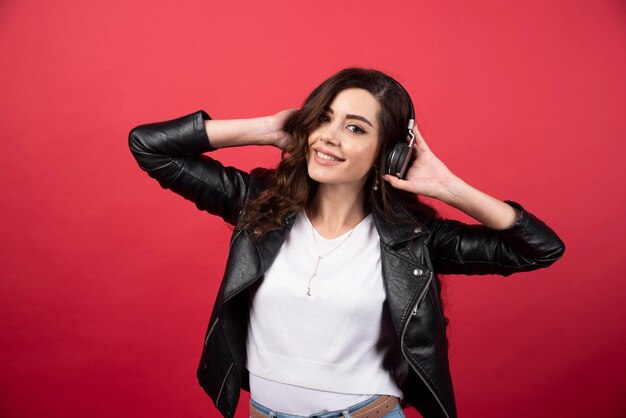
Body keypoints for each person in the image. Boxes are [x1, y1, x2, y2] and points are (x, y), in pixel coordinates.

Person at [128, 67, 565, 418]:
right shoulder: (258, 204)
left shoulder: (413, 239)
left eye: (355, 128)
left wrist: (449, 187)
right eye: (323, 118)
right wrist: (264, 129)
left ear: (388, 152)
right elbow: (148, 146)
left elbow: (539, 248)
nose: (329, 136)